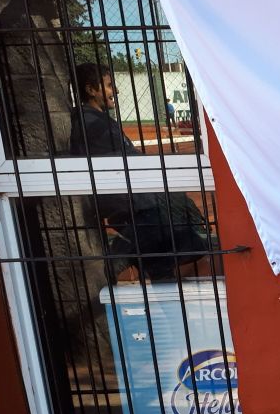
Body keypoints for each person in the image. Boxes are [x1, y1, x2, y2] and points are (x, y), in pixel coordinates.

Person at [69, 63, 214, 281]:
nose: (115, 91)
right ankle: (126, 249)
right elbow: (121, 161)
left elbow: (126, 156)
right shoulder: (90, 123)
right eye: (109, 85)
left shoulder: (97, 120)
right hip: (131, 203)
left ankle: (138, 256)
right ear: (91, 90)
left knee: (168, 256)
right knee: (185, 242)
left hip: (135, 200)